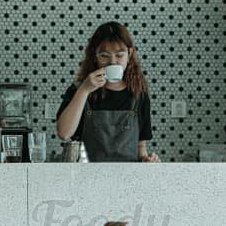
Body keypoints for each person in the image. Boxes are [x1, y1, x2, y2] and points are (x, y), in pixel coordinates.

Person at [56, 22, 160, 162]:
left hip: (128, 174)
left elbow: (141, 146)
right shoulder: (79, 88)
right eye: (105, 56)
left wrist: (147, 160)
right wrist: (84, 90)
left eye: (119, 55)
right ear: (95, 56)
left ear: (129, 54)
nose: (113, 62)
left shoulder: (139, 93)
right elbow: (64, 133)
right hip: (87, 173)